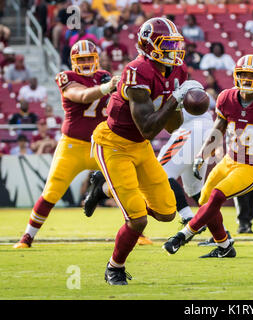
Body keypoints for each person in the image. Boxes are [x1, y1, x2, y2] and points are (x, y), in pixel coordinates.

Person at [87, 17, 202, 285]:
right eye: (167, 44)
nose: (174, 49)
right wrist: (175, 97)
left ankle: (103, 187)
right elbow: (150, 128)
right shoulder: (136, 71)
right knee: (138, 220)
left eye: (175, 43)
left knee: (167, 212)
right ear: (149, 46)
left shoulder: (177, 71)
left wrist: (182, 103)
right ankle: (114, 267)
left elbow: (173, 126)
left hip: (140, 146)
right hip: (114, 144)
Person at [163, 54, 253, 258]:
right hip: (229, 160)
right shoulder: (227, 97)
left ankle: (183, 235)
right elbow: (218, 129)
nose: (247, 80)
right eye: (243, 75)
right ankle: (224, 246)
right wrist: (202, 155)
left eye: (252, 76)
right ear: (236, 76)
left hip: (252, 166)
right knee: (204, 200)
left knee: (216, 196)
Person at [13, 40, 119, 249]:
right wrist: (107, 87)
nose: (87, 63)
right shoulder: (68, 78)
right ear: (73, 62)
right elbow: (81, 95)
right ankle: (27, 237)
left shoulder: (102, 75)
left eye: (90, 58)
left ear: (96, 59)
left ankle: (137, 232)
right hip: (72, 146)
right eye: (82, 59)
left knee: (125, 183)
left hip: (99, 144)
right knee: (52, 191)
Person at [157, 107, 214, 232]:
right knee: (195, 189)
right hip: (207, 128)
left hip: (191, 128)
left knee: (160, 173)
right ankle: (221, 233)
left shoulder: (180, 88)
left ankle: (188, 218)